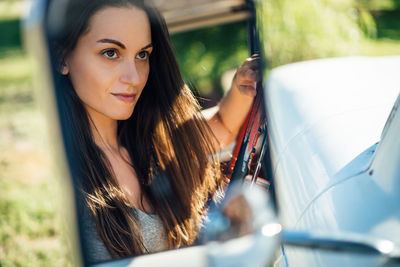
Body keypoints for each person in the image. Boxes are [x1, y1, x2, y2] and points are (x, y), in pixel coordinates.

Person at [47, 0, 259, 263]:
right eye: (111, 53)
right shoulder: (62, 178)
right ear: (62, 58)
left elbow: (222, 128)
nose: (134, 77)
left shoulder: (153, 139)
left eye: (142, 55)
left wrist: (243, 85)